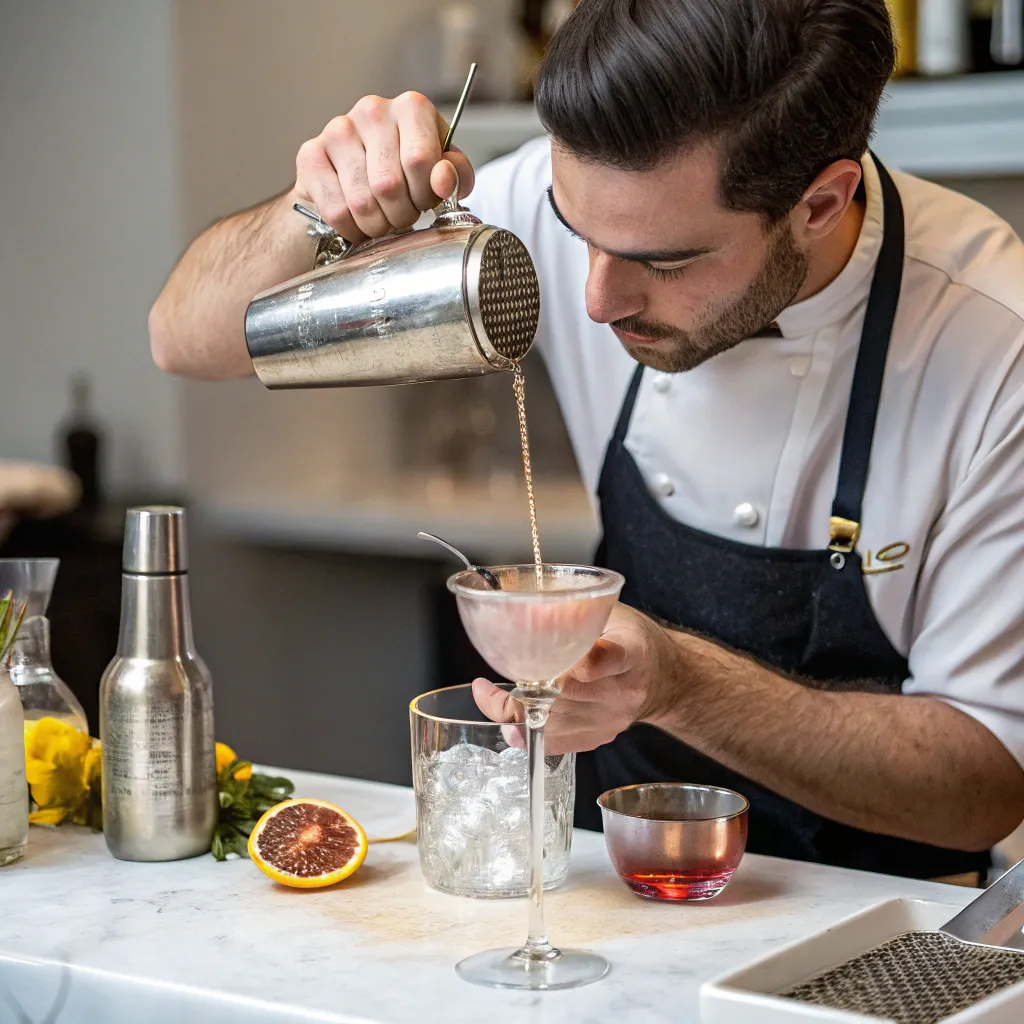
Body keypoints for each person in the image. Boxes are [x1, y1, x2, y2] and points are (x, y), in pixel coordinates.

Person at [149, 0, 1024, 881]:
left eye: (667, 262)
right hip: (610, 888)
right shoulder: (579, 193)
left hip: (882, 932)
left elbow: (987, 786)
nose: (598, 298)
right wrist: (317, 207)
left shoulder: (995, 341)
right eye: (576, 236)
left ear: (820, 203)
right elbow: (184, 339)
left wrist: (680, 683)